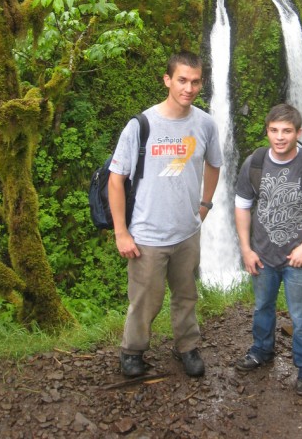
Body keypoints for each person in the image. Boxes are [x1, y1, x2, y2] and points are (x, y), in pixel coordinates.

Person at [109, 51, 222, 379]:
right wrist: (121, 232)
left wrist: (205, 205)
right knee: (145, 299)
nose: (189, 88)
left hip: (188, 231)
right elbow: (116, 180)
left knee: (187, 294)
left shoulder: (205, 124)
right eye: (182, 80)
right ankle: (132, 350)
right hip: (147, 234)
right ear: (167, 80)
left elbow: (214, 163)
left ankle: (187, 346)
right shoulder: (141, 125)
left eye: (196, 81)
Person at [234, 103, 302, 396]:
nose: (280, 137)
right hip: (262, 255)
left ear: (298, 133)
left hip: (299, 259)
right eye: (274, 130)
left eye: (287, 131)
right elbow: (242, 206)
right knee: (262, 307)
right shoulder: (253, 163)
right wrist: (246, 249)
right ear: (267, 131)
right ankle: (261, 351)